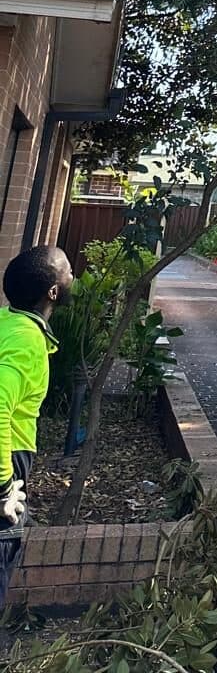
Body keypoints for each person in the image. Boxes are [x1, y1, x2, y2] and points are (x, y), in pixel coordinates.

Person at [0, 246, 74, 614]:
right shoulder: (28, 341)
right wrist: (3, 489)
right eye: (68, 272)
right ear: (53, 292)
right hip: (8, 463)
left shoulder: (7, 322)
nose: (73, 276)